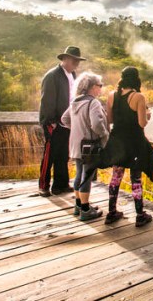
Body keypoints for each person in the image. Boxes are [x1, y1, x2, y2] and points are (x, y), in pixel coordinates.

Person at [103, 66, 153, 227]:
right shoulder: (138, 97)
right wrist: (147, 115)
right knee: (136, 178)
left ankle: (111, 212)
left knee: (116, 177)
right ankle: (140, 215)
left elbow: (110, 120)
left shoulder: (112, 95)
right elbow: (142, 123)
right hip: (134, 142)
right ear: (136, 79)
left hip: (118, 141)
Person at [38, 46, 86, 197]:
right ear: (65, 59)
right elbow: (47, 100)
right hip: (53, 122)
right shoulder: (52, 75)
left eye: (78, 61)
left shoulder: (72, 74)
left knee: (63, 154)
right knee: (50, 154)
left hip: (67, 122)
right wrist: (50, 121)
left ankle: (60, 185)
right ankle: (43, 186)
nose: (76, 63)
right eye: (74, 60)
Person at [61, 72, 109, 221]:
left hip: (76, 145)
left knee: (79, 174)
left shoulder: (75, 102)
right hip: (89, 146)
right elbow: (96, 124)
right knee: (86, 176)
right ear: (92, 87)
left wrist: (77, 129)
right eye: (99, 86)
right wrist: (104, 135)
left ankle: (79, 205)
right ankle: (86, 210)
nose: (101, 89)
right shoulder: (93, 102)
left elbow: (64, 119)